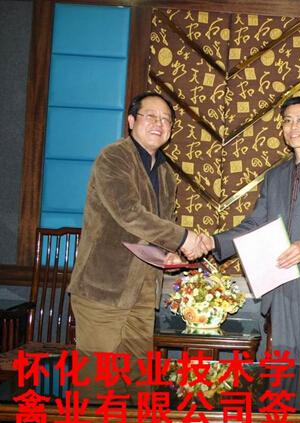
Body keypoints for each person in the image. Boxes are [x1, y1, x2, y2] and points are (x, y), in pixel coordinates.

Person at [200, 96, 300, 359]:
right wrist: (214, 242)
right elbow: (254, 224)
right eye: (287, 121)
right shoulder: (275, 176)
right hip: (279, 283)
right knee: (282, 367)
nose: (293, 126)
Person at [68, 91, 205, 397]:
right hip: (104, 286)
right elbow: (128, 212)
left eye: (166, 119)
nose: (159, 123)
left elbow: (154, 229)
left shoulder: (166, 174)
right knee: (97, 384)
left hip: (143, 289)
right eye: (150, 116)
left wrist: (169, 253)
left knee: (137, 382)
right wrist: (184, 238)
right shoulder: (114, 157)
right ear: (131, 121)